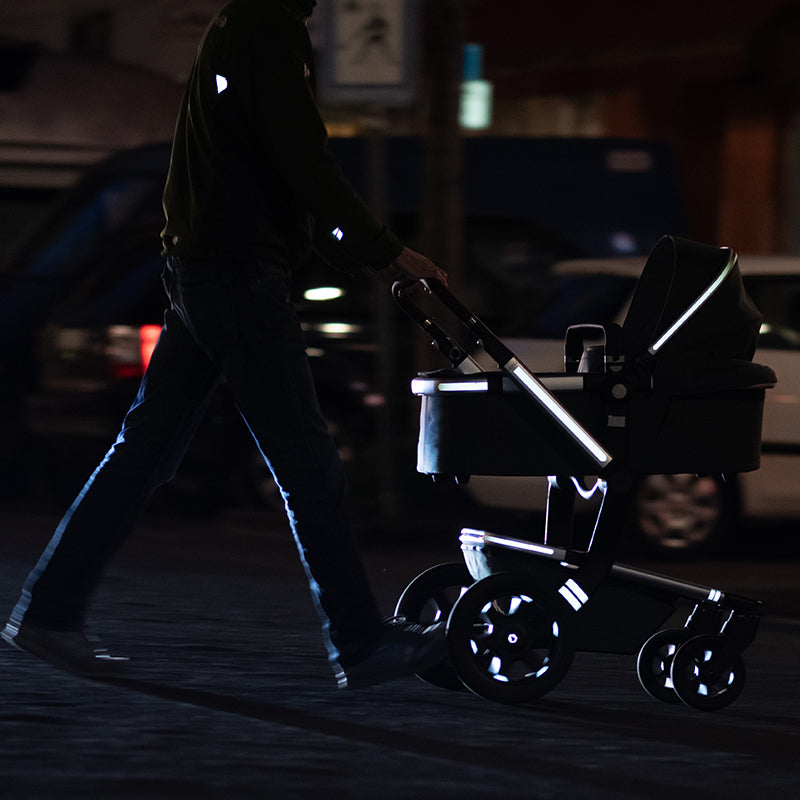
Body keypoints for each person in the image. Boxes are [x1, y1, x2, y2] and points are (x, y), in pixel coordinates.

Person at [2, 0, 448, 689]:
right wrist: (385, 252)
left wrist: (351, 250)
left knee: (146, 449)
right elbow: (303, 161)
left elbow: (266, 165)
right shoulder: (269, 30)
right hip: (237, 273)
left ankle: (48, 612)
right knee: (306, 463)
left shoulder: (237, 26)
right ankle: (360, 642)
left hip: (204, 267)